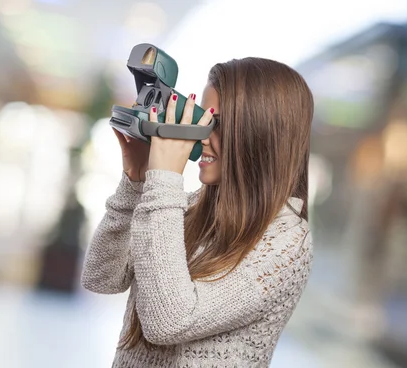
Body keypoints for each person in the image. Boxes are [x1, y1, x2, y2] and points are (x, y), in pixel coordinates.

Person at [81, 57, 314, 368]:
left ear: (257, 134)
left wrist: (164, 178)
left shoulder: (289, 242)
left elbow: (170, 321)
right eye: (202, 120)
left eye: (214, 124)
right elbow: (101, 278)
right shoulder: (189, 207)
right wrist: (137, 181)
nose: (200, 137)